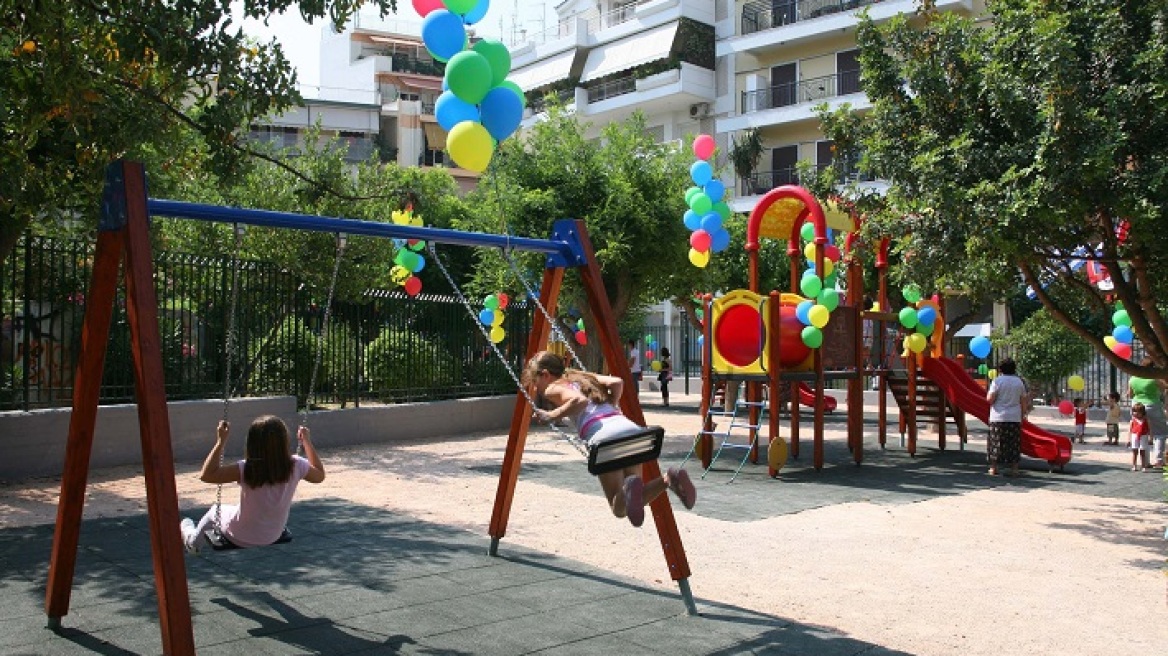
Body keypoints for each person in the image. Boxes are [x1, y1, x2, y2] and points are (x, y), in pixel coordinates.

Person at [522, 351, 696, 527]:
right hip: (631, 430)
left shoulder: (553, 387)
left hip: (605, 438)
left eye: (536, 383)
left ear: (545, 374)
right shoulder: (582, 377)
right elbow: (617, 382)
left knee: (618, 508)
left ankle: (631, 486)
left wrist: (552, 415)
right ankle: (668, 479)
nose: (537, 389)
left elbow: (578, 401)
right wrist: (612, 403)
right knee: (634, 497)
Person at [180, 415, 325, 553]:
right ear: (284, 441)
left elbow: (207, 475)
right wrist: (307, 441)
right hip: (272, 535)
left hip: (238, 535)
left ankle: (193, 543)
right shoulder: (296, 465)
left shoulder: (246, 467)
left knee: (214, 511)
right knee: (235, 510)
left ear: (252, 443)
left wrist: (220, 442)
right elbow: (319, 475)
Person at [985, 358, 1029, 477]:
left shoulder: (997, 381)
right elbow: (1023, 400)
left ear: (1000, 369)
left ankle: (994, 467)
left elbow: (990, 399)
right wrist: (1023, 414)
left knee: (996, 442)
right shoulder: (1019, 382)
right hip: (1014, 416)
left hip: (998, 416)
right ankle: (1014, 468)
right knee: (1013, 442)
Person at [1127, 357, 1167, 468]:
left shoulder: (1133, 378)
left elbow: (1130, 394)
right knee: (1160, 433)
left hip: (1137, 407)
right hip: (1153, 405)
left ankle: (1146, 462)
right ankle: (1159, 460)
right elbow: (1164, 387)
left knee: (1143, 433)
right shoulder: (1154, 378)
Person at [1128, 402, 1152, 471]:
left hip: (1143, 436)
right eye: (1134, 411)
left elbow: (1150, 429)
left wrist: (1151, 438)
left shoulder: (1146, 420)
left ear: (1142, 412)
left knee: (1142, 452)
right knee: (1135, 452)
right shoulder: (1132, 420)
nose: (1136, 413)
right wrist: (1128, 440)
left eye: (1138, 411)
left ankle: (1143, 466)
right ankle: (1134, 465)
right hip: (1134, 436)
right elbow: (1129, 430)